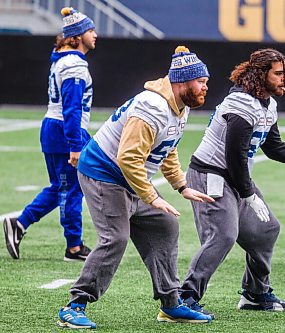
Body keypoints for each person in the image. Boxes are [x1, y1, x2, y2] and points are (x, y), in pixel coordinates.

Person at [56, 46, 215, 329]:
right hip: (103, 173)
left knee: (165, 225)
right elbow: (128, 158)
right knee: (115, 238)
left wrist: (181, 186)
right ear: (181, 82)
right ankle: (74, 305)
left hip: (126, 177)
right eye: (200, 81)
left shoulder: (180, 105)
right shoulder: (152, 107)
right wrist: (151, 196)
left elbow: (168, 146)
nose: (206, 86)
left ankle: (170, 304)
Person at [178, 48, 285, 317]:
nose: (284, 78)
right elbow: (234, 157)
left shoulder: (267, 104)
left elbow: (274, 147)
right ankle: (185, 296)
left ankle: (255, 292)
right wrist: (248, 194)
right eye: (278, 73)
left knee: (266, 230)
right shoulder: (241, 106)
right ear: (261, 74)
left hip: (235, 176)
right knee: (224, 235)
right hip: (210, 174)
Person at [3, 7, 97, 261]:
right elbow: (72, 109)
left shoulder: (62, 58)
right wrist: (75, 145)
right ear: (77, 36)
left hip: (54, 128)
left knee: (61, 187)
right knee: (71, 189)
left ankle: (20, 223)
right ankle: (74, 247)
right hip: (64, 131)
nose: (95, 34)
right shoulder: (74, 64)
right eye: (90, 30)